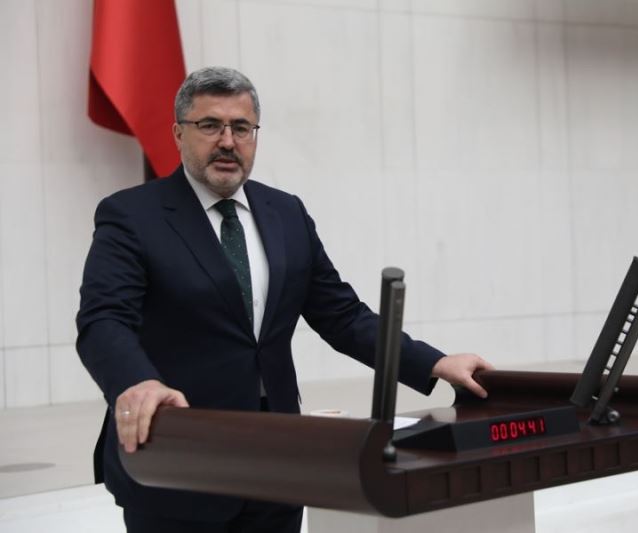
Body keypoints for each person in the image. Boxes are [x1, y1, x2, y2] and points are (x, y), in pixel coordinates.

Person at [76, 66, 493, 533]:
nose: (228, 141)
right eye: (210, 125)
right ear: (178, 133)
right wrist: (136, 382)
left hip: (278, 461)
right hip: (179, 458)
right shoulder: (132, 215)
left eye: (241, 128)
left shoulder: (286, 212)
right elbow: (103, 320)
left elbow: (341, 315)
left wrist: (434, 363)